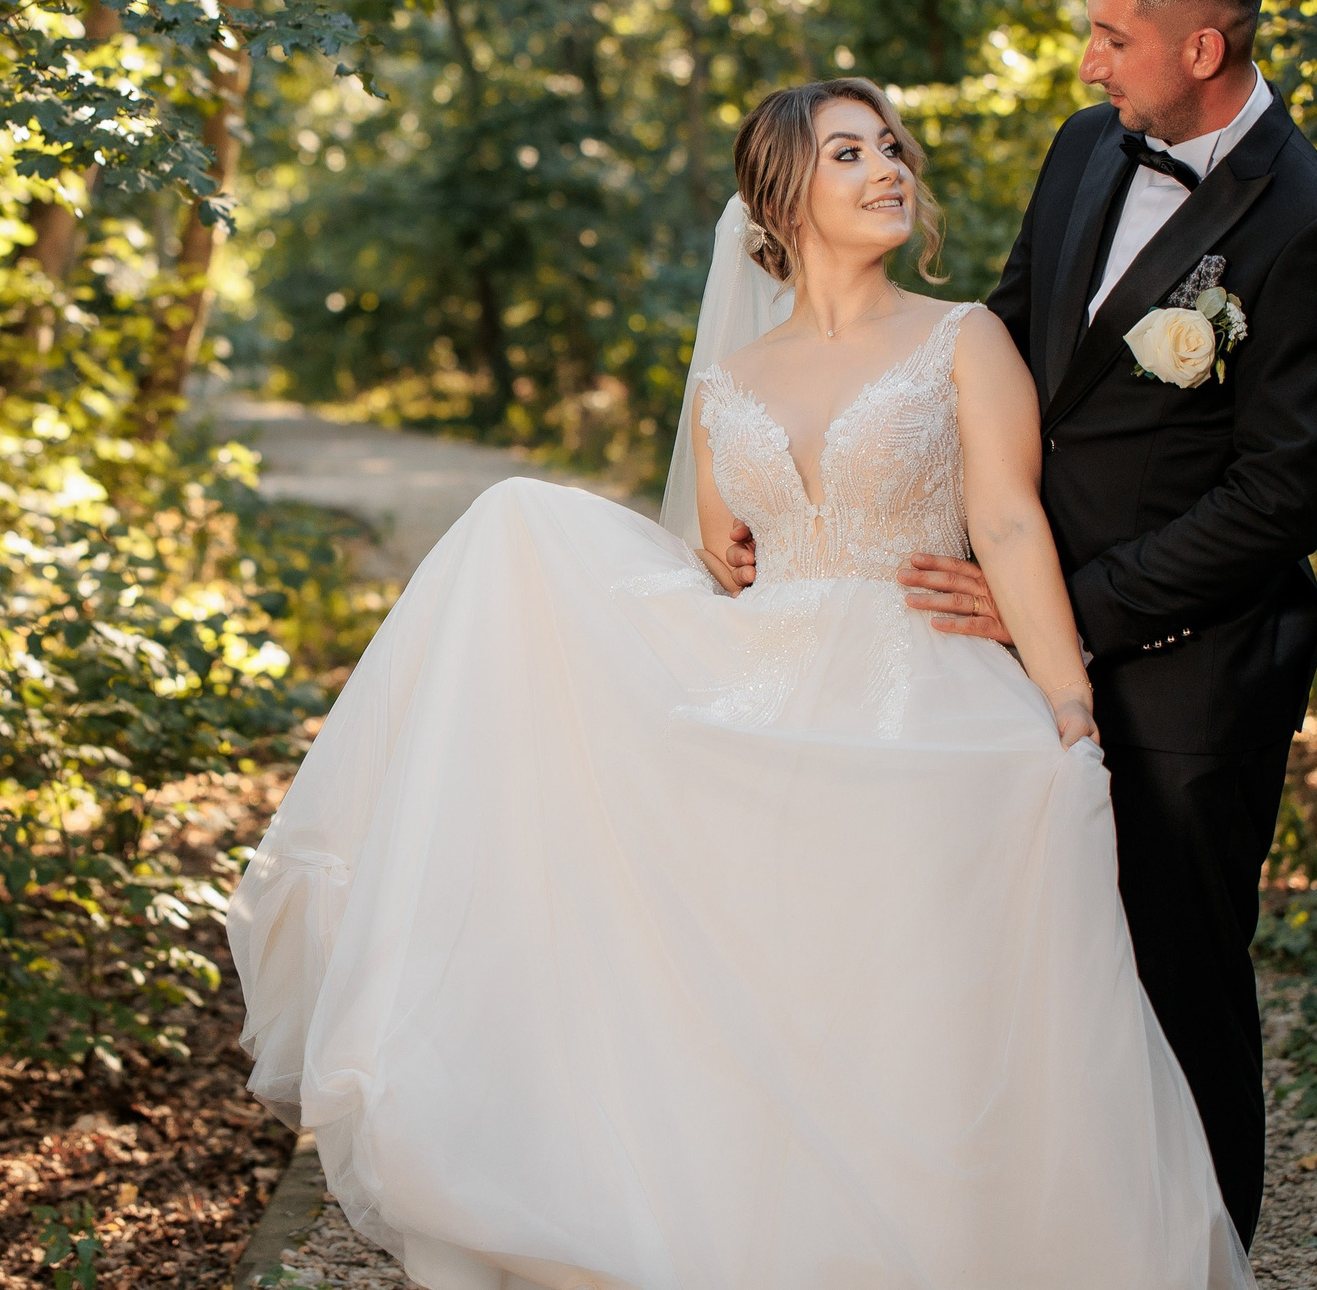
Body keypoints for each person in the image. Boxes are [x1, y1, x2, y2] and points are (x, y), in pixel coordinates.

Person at [229, 77, 1250, 1290]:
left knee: (917, 1011)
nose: (888, 171)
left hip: (922, 691)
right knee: (764, 1003)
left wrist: (1067, 711)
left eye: (891, 150)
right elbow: (726, 567)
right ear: (782, 196)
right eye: (849, 153)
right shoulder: (729, 384)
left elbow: (1011, 525)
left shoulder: (961, 336)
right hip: (768, 704)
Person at [732, 0, 1317, 1244]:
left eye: (1112, 35)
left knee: (1174, 985)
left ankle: (1199, 1258)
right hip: (993, 643)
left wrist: (1064, 617)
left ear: (1201, 44)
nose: (1089, 63)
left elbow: (1279, 498)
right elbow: (1004, 341)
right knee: (1022, 983)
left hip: (1190, 669)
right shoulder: (1089, 148)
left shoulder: (1313, 225)